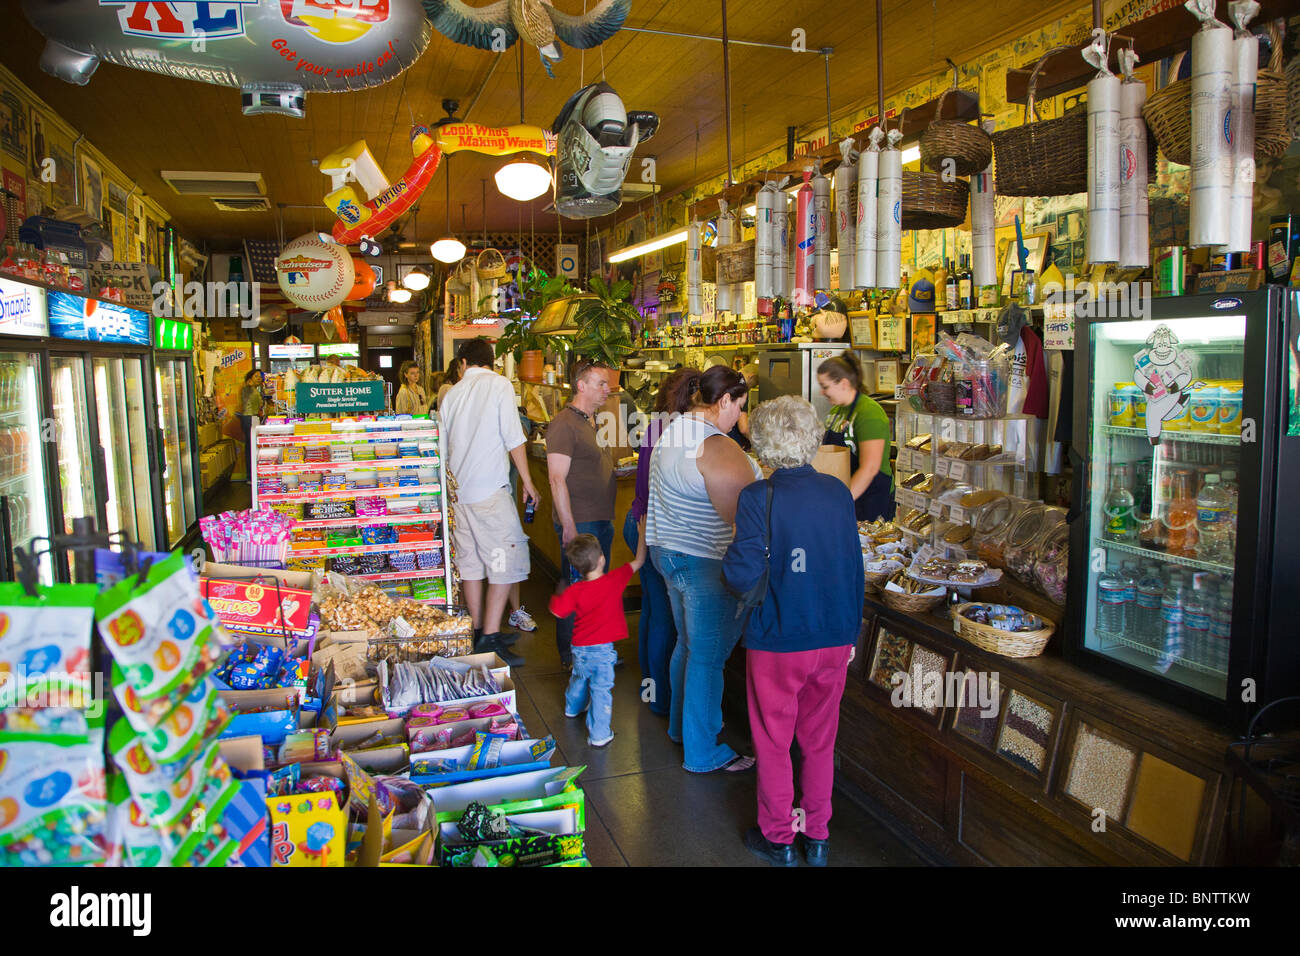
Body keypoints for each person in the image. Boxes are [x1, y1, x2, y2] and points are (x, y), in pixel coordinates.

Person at [722, 396, 863, 867]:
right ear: (811, 437)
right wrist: (850, 635)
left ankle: (780, 838)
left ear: (760, 444)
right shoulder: (838, 492)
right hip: (834, 636)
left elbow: (742, 575)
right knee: (820, 741)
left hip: (780, 639)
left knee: (773, 740)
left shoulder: (758, 496)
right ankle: (818, 836)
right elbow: (852, 568)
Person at [646, 365, 761, 773]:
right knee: (708, 656)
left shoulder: (672, 429)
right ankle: (703, 750)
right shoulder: (716, 445)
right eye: (739, 407)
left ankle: (681, 728)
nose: (739, 418)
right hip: (702, 561)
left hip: (668, 554)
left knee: (689, 644)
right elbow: (743, 519)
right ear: (725, 400)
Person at [438, 338, 540, 665]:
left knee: (470, 566)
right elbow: (514, 437)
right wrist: (527, 481)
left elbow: (442, 448)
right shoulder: (498, 385)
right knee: (503, 563)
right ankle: (491, 638)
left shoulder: (451, 395)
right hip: (489, 494)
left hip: (459, 496)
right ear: (490, 363)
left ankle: (479, 631)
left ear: (463, 363)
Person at [625, 368, 695, 717]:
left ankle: (650, 686)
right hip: (650, 527)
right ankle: (663, 700)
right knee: (665, 617)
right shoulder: (680, 433)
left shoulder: (658, 426)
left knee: (653, 611)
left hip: (638, 520)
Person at [548, 524, 647, 747]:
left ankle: (572, 708)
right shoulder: (614, 580)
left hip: (580, 648)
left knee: (579, 677)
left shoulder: (575, 590)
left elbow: (557, 611)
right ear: (601, 559)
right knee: (601, 691)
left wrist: (557, 594)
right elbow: (638, 561)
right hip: (602, 652)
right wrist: (641, 535)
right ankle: (600, 734)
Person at [547, 359, 617, 668]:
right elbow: (556, 478)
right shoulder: (565, 423)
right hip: (582, 521)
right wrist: (569, 526)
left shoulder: (589, 420)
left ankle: (593, 651)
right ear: (581, 386)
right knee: (578, 588)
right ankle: (574, 656)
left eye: (608, 383)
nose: (607, 389)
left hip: (598, 519)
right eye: (600, 383)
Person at [818, 351, 895, 521]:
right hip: (845, 496)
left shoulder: (869, 412)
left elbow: (870, 468)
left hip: (869, 499)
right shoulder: (836, 412)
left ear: (844, 384)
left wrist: (840, 503)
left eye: (825, 386)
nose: (822, 393)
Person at [239, 369, 266, 482]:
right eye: (256, 376)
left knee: (252, 447)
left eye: (260, 377)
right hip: (248, 418)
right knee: (251, 447)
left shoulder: (254, 389)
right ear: (250, 378)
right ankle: (250, 477)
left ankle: (252, 476)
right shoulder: (247, 388)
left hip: (252, 418)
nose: (259, 379)